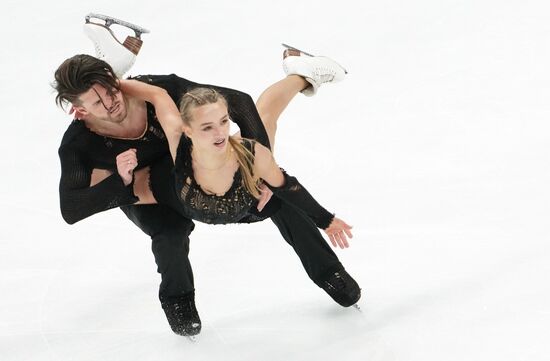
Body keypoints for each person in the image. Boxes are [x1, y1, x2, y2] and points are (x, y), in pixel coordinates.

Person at [53, 40, 352, 336]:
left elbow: (238, 103)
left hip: (196, 169)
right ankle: (178, 301)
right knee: (169, 233)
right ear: (78, 111)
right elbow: (72, 208)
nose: (110, 104)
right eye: (96, 103)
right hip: (148, 193)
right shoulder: (79, 145)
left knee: (277, 197)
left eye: (110, 91)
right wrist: (123, 181)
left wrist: (255, 172)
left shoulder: (162, 91)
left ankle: (328, 271)